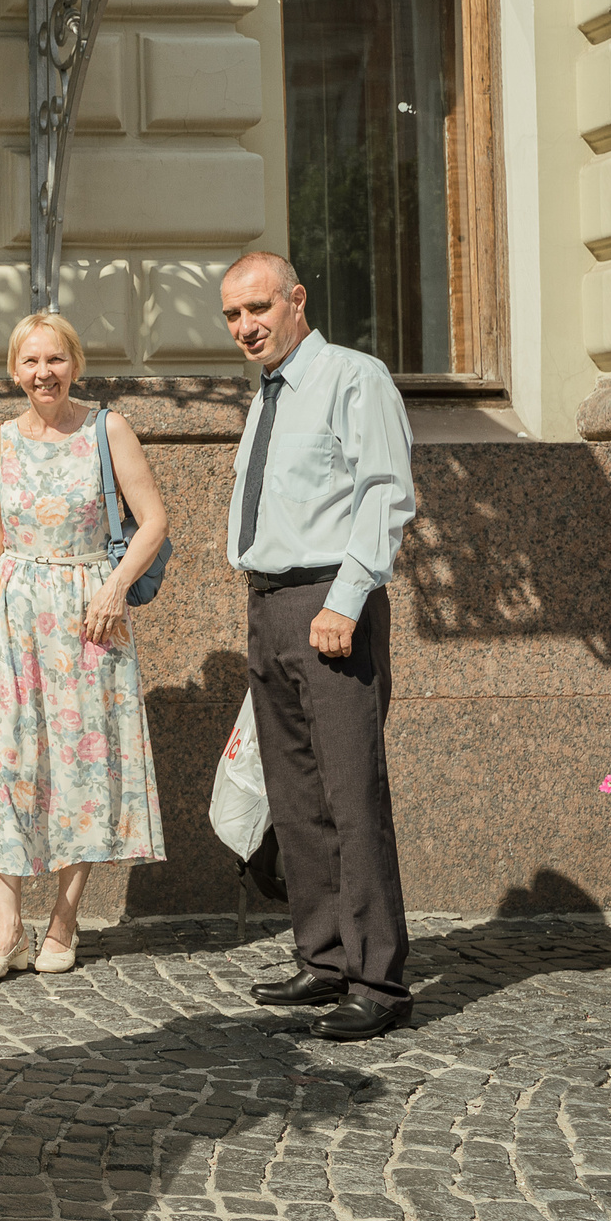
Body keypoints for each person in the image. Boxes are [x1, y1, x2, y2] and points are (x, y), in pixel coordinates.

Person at [219, 252, 418, 1042]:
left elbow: (384, 491)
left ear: (297, 300)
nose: (246, 327)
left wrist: (345, 597)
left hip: (332, 600)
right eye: (233, 316)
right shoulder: (267, 397)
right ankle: (324, 954)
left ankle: (379, 978)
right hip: (270, 606)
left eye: (259, 308)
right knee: (295, 794)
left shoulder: (352, 377)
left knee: (349, 793)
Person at [0, 313, 169, 979]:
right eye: (31, 361)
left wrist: (113, 587)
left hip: (89, 619)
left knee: (81, 766)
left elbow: (155, 519)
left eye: (55, 359)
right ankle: (7, 929)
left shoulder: (107, 429)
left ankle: (64, 918)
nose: (43, 372)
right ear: (14, 371)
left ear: (73, 364)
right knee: (9, 763)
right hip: (14, 615)